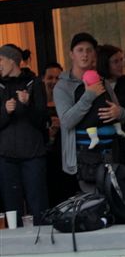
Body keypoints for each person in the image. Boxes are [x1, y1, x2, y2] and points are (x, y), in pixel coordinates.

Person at [53, 33, 125, 192]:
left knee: (114, 199)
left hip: (111, 153)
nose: (85, 54)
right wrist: (89, 95)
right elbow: (67, 121)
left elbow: (122, 115)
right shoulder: (63, 86)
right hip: (84, 158)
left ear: (94, 54)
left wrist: (118, 112)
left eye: (89, 50)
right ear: (71, 54)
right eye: (80, 50)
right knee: (93, 202)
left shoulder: (102, 81)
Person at [0, 44, 49, 225]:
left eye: (0, 60)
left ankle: (42, 238)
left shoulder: (34, 83)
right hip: (6, 157)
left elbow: (43, 120)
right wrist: (5, 111)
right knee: (11, 206)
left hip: (33, 155)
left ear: (12, 60)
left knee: (38, 203)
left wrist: (28, 105)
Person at [41, 62, 80, 205]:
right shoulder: (39, 105)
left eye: (57, 78)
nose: (54, 81)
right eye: (50, 78)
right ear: (43, 79)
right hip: (47, 158)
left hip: (67, 154)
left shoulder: (69, 100)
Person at [76, 69, 125, 149]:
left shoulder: (104, 84)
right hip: (108, 122)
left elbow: (121, 112)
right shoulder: (103, 87)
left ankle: (94, 138)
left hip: (110, 141)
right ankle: (119, 129)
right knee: (114, 120)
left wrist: (120, 112)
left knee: (89, 125)